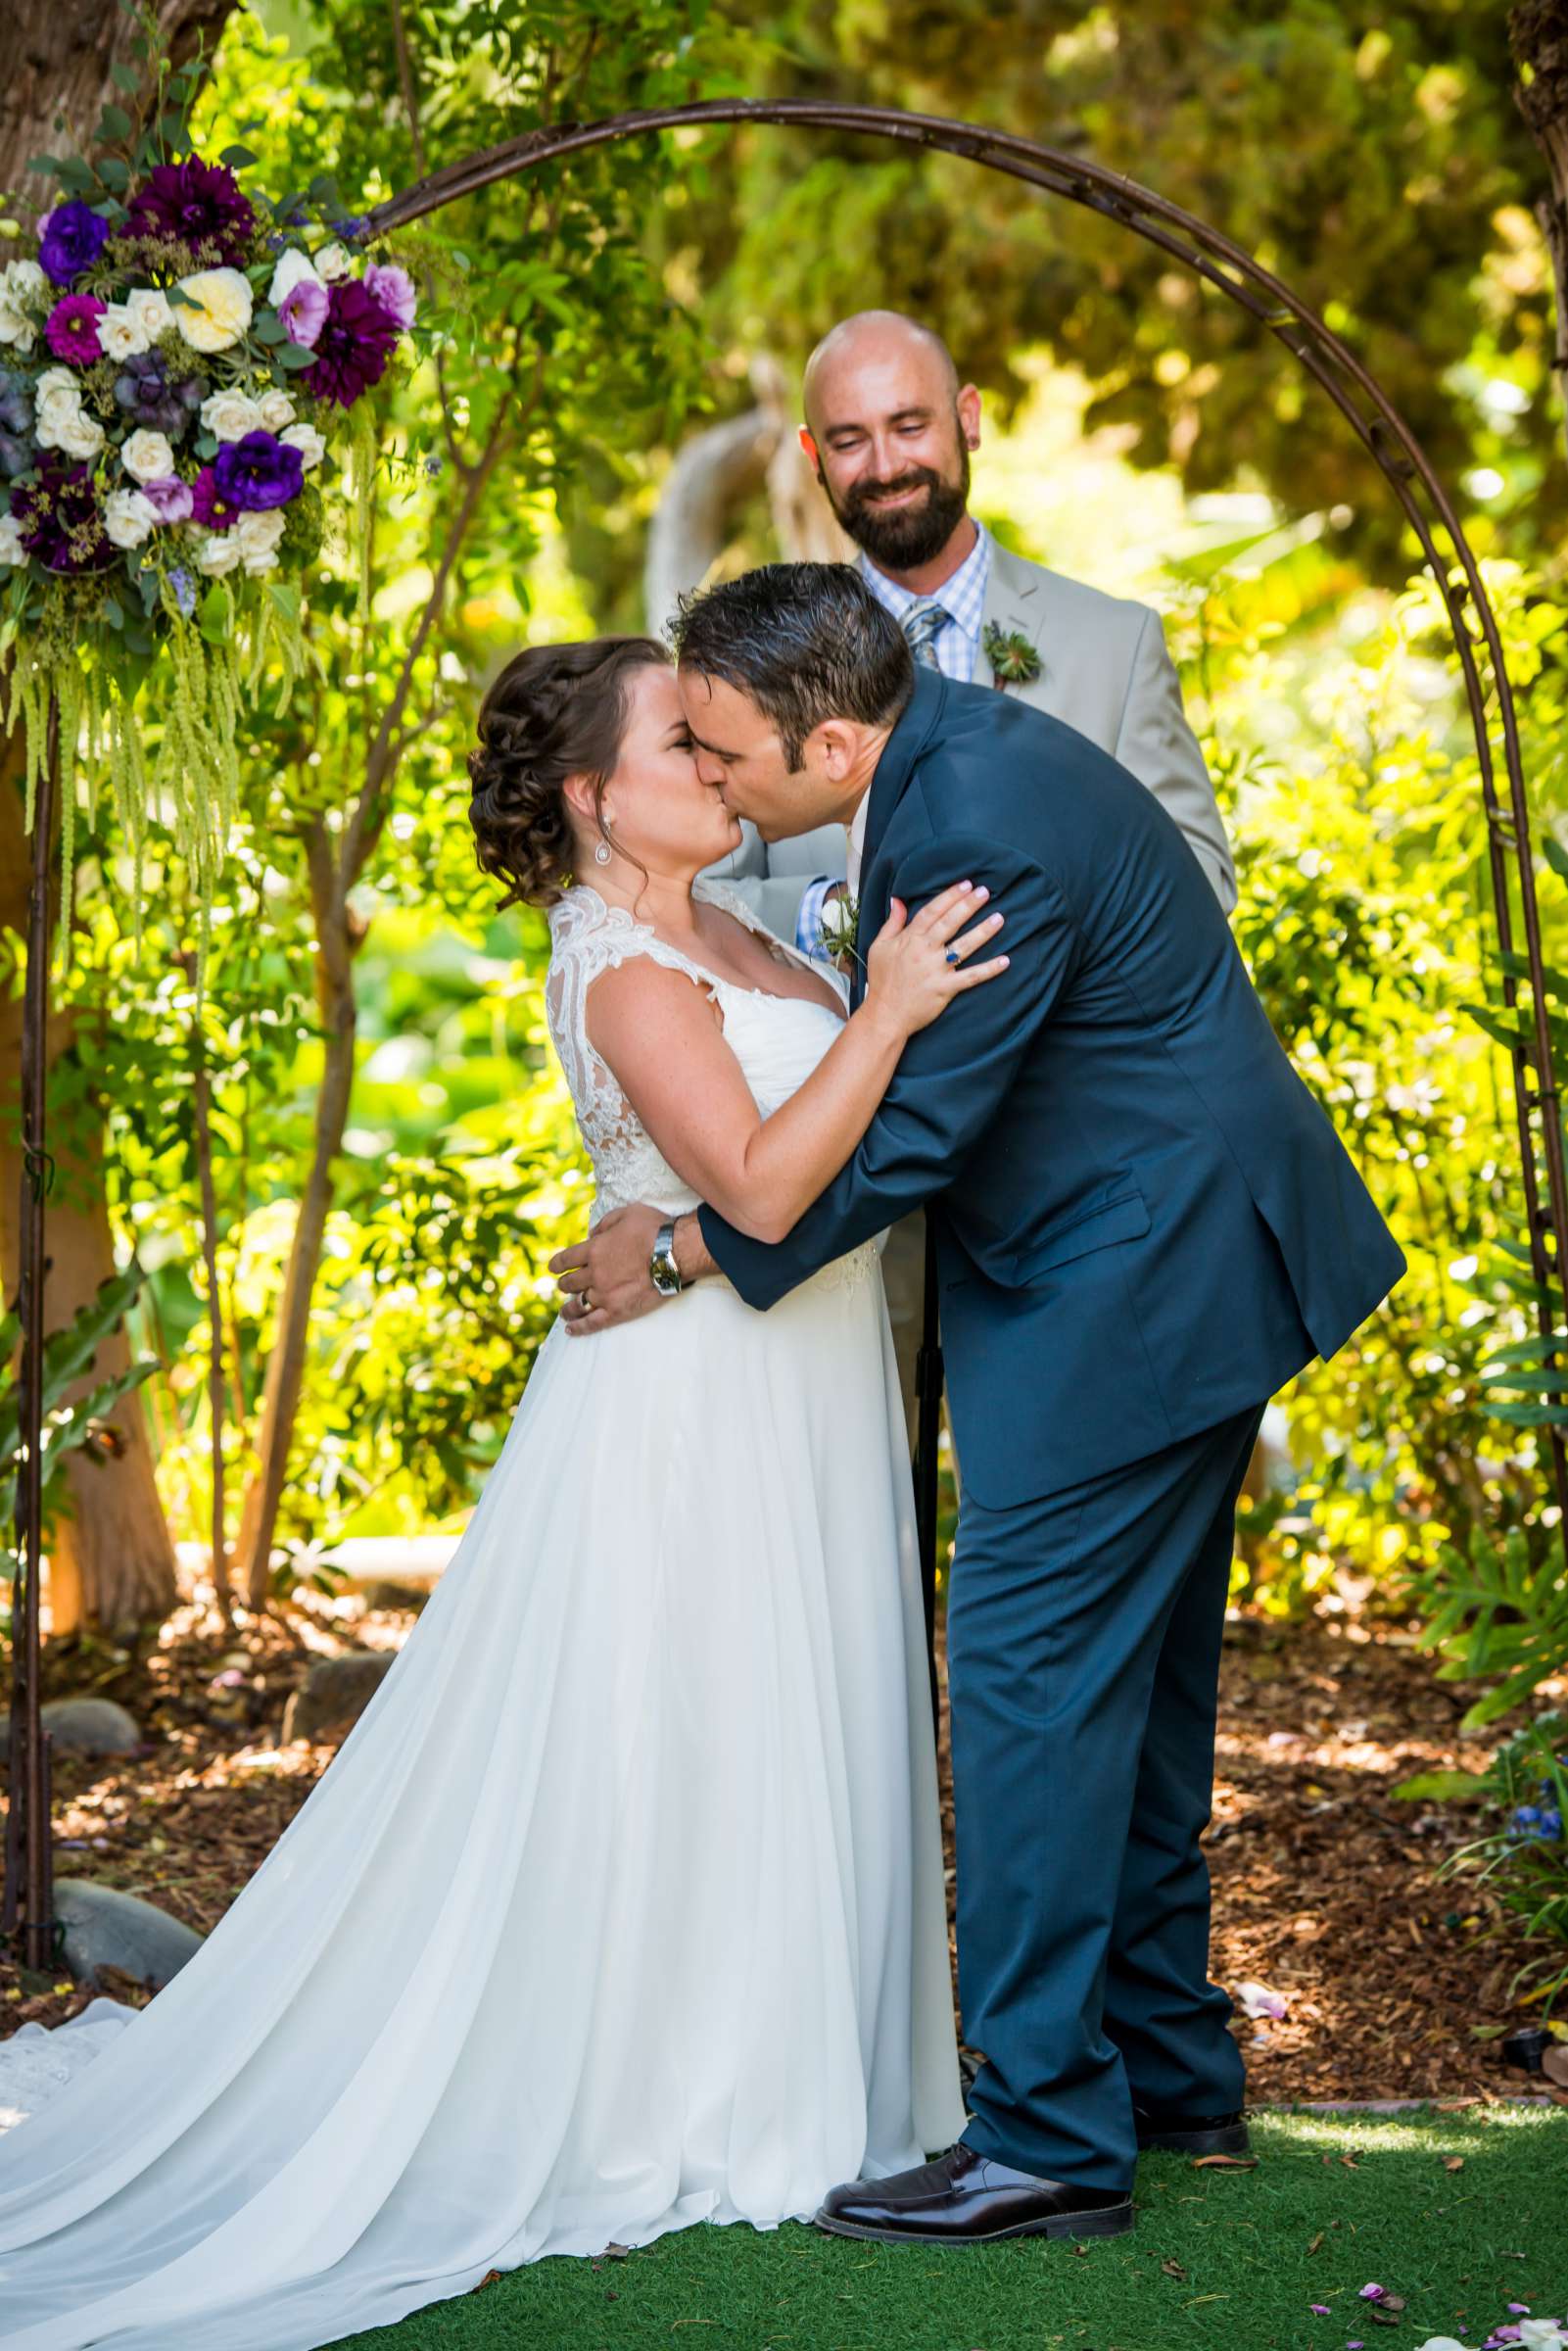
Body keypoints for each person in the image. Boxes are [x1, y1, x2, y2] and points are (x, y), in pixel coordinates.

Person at [0, 634, 1003, 2347]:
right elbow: (761, 1184)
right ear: (593, 798)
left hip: (806, 1388)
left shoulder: (748, 926)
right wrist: (894, 1011)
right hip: (694, 1420)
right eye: (681, 740)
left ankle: (810, 2068)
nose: (715, 758)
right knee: (691, 1728)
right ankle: (690, 2097)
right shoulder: (619, 967)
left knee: (791, 1709)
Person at [552, 564, 1406, 2246]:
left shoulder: (975, 821)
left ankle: (1042, 2141)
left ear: (837, 735)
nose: (716, 783)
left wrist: (684, 1257)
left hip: (1129, 1288)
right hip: (1182, 1260)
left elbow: (923, 1137)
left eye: (727, 755)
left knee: (1023, 1692)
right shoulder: (951, 767)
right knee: (1142, 1700)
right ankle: (1173, 2077)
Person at [702, 308, 1236, 1440]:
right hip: (847, 1160)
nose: (885, 464)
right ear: (810, 456)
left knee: (1043, 1491)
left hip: (1060, 1179)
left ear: (968, 420)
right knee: (854, 1500)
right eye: (847, 439)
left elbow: (1192, 882)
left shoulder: (1108, 643)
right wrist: (832, 917)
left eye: (907, 425)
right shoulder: (759, 658)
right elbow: (696, 891)